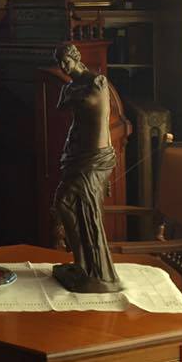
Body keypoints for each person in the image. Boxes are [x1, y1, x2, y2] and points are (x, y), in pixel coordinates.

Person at [51, 42, 122, 293]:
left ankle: (100, 273)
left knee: (86, 211)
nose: (63, 67)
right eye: (59, 63)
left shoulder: (96, 81)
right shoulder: (71, 86)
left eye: (66, 61)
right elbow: (61, 105)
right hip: (76, 155)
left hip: (95, 157)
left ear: (76, 58)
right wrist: (72, 93)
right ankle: (81, 263)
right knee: (64, 204)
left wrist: (73, 94)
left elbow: (90, 101)